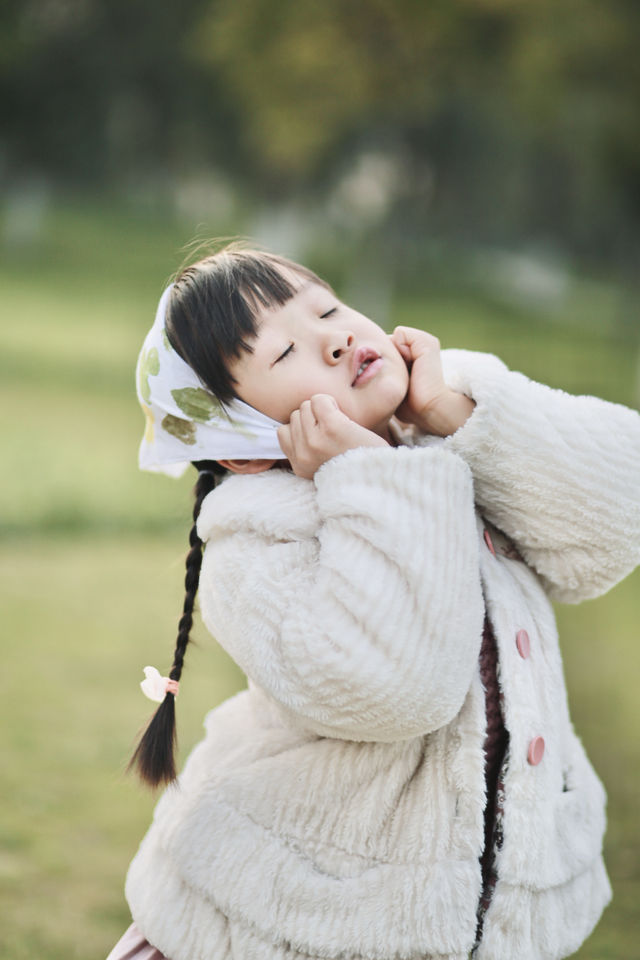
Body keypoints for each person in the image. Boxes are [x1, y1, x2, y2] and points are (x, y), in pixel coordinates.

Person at [108, 244, 640, 960]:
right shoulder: (253, 539)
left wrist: (458, 413)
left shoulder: (448, 432)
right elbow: (395, 688)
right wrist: (369, 477)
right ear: (239, 441)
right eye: (288, 350)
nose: (335, 337)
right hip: (291, 925)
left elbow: (619, 512)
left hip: (476, 919)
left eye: (327, 307)